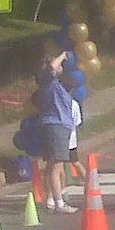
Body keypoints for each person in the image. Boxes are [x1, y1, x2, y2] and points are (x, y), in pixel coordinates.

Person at [35, 50, 80, 214]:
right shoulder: (48, 82)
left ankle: (51, 199)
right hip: (56, 126)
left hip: (56, 126)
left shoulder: (56, 85)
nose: (61, 67)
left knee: (51, 165)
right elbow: (52, 68)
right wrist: (62, 56)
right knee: (56, 166)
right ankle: (59, 202)